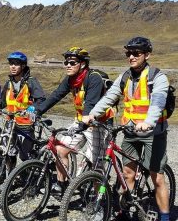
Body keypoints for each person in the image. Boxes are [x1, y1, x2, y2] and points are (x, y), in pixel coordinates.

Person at [83, 37, 170, 221]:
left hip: (153, 133)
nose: (131, 56)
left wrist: (149, 121)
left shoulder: (157, 77)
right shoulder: (124, 77)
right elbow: (109, 98)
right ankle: (126, 211)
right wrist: (92, 114)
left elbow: (158, 101)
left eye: (136, 53)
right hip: (130, 132)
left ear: (147, 55)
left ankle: (164, 216)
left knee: (157, 177)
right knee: (127, 173)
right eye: (128, 53)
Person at [36, 47, 115, 193]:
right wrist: (37, 111)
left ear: (83, 64)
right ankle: (61, 185)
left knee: (97, 165)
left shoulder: (94, 78)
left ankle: (100, 200)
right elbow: (56, 95)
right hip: (81, 122)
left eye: (72, 63)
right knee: (60, 150)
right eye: (66, 62)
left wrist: (83, 122)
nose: (67, 65)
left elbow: (91, 103)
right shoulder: (71, 79)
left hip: (100, 124)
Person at [0, 51, 46, 174]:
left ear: (23, 66)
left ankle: (30, 178)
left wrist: (32, 109)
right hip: (10, 123)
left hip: (26, 125)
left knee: (24, 155)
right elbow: (2, 101)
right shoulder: (9, 83)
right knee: (7, 151)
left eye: (16, 64)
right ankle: (8, 179)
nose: (12, 66)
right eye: (11, 64)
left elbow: (41, 99)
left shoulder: (31, 82)